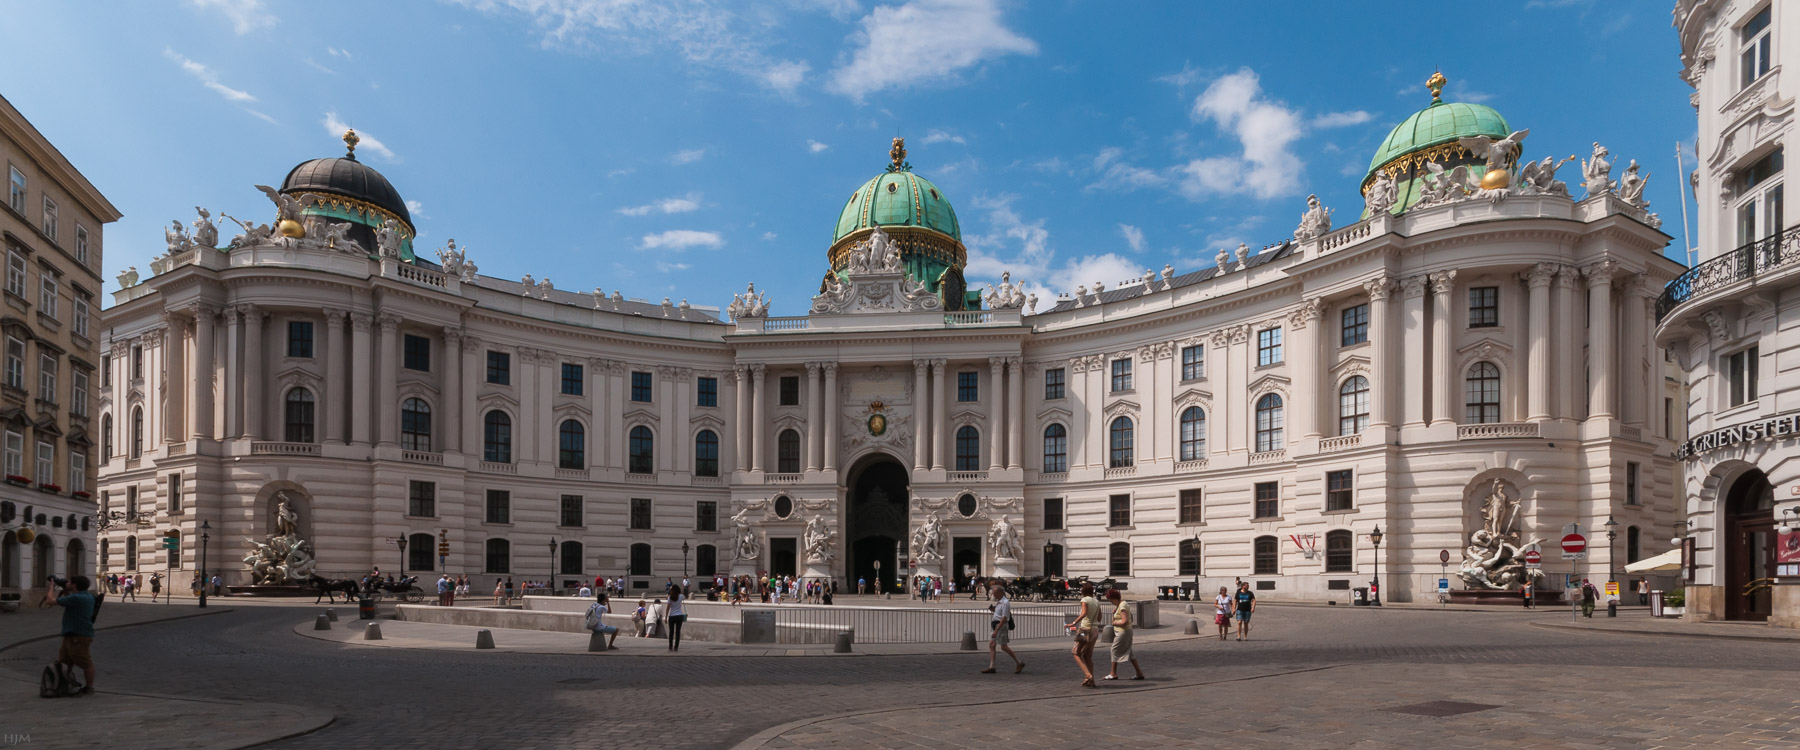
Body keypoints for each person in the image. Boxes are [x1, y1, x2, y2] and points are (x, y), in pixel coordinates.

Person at [41, 575, 97, 695]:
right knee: (65, 662)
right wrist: (66, 590)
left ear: (75, 585)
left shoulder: (78, 598)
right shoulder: (86, 596)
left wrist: (51, 587)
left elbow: (50, 601)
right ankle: (65, 684)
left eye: (69, 581)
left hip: (78, 635)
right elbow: (69, 601)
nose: (66, 582)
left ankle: (89, 688)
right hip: (72, 634)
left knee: (85, 662)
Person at [981, 583, 1024, 674]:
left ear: (1000, 592)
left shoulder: (1005, 602)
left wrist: (997, 630)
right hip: (996, 625)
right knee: (992, 645)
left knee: (1003, 647)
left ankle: (1019, 662)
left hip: (1001, 626)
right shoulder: (999, 602)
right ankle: (992, 666)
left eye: (995, 593)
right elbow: (999, 614)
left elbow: (1004, 618)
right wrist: (993, 610)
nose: (993, 595)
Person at [1103, 589, 1144, 681]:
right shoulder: (1121, 605)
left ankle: (1113, 673)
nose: (1110, 602)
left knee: (1114, 650)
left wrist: (1115, 623)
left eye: (1110, 600)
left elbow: (1124, 621)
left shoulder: (1122, 606)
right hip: (1125, 631)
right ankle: (1139, 673)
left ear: (1114, 598)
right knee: (1129, 653)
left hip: (1123, 632)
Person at [1067, 582, 1101, 688]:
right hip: (1095, 630)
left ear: (1083, 591)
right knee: (1088, 656)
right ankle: (1092, 680)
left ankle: (1088, 675)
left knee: (1076, 653)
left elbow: (1084, 613)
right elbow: (1100, 618)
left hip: (1085, 629)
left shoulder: (1084, 600)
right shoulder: (1097, 601)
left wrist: (1073, 623)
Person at [666, 584, 688, 651]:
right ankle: (676, 647)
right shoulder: (681, 596)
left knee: (671, 632)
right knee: (678, 632)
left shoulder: (670, 597)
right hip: (679, 615)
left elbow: (668, 608)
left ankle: (670, 646)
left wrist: (666, 616)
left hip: (672, 616)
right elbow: (685, 596)